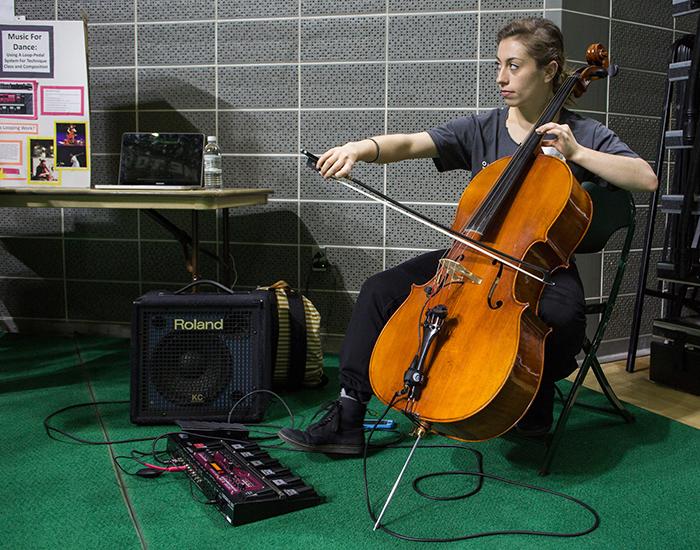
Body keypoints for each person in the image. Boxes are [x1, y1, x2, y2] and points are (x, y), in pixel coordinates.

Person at [279, 17, 657, 455]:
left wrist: (576, 153)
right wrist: (357, 150)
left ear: (550, 70)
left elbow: (644, 178)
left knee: (563, 315)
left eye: (514, 66)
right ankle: (348, 415)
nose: (501, 78)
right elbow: (409, 143)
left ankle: (529, 396)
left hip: (537, 265)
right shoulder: (482, 127)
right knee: (380, 290)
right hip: (469, 255)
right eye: (498, 65)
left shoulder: (583, 132)